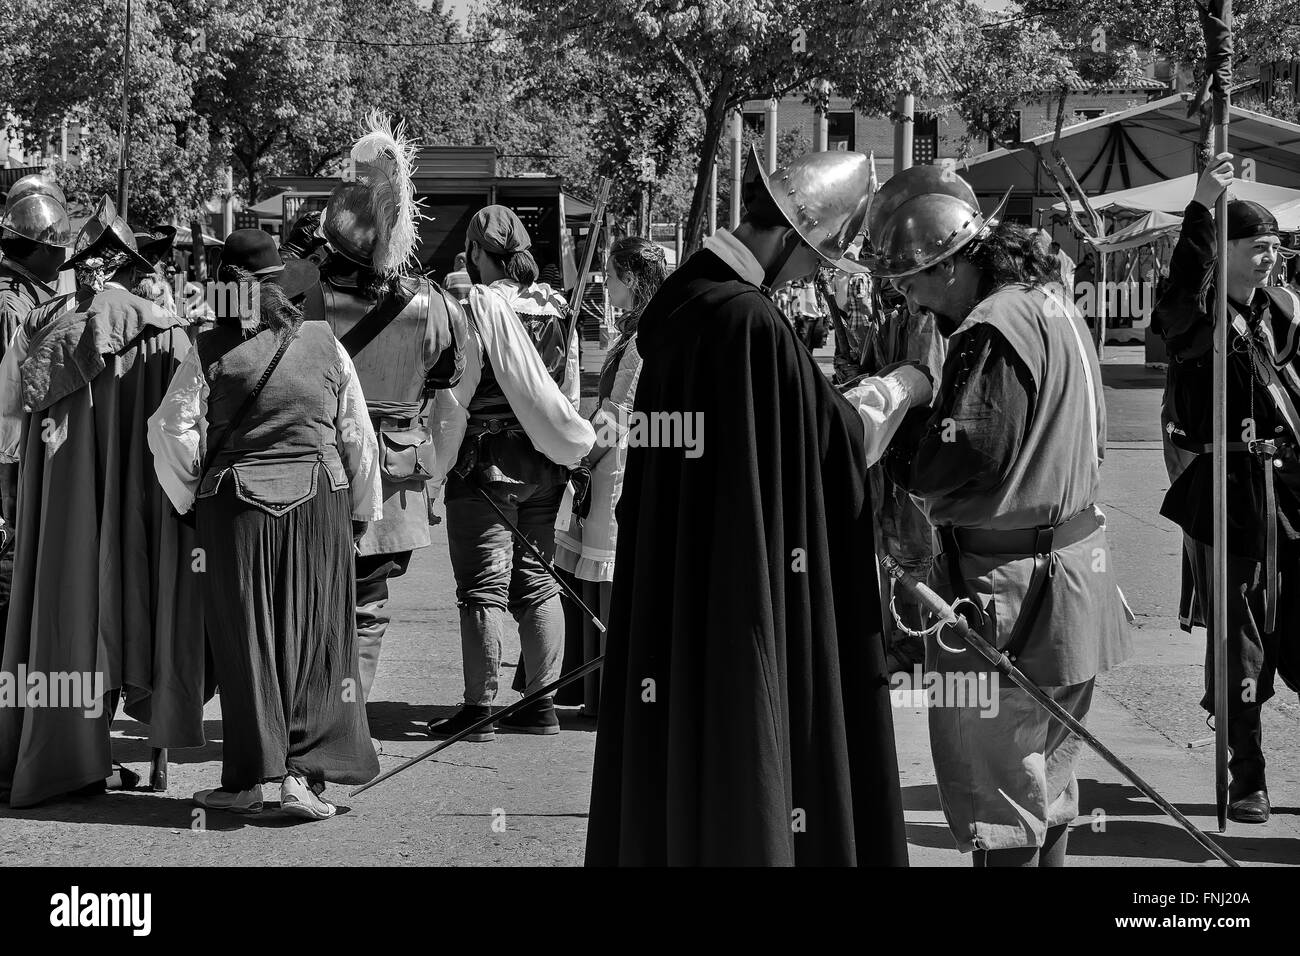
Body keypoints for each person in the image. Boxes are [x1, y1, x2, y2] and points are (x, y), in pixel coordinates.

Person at [585, 147, 931, 866]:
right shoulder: (752, 325)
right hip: (747, 596)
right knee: (748, 747)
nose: (811, 277)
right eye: (813, 258)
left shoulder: (683, 298)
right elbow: (837, 440)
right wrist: (908, 382)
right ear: (784, 239)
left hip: (683, 590)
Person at [875, 166, 1131, 866]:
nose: (912, 299)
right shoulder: (1055, 305)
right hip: (1072, 578)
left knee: (1003, 806)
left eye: (914, 280)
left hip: (1010, 591)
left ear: (954, 266)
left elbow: (967, 461)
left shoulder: (993, 324)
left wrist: (899, 445)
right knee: (1048, 785)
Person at [148, 229, 382, 819]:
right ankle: (306, 778)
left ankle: (257, 779)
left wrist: (190, 500)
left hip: (236, 511)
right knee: (316, 639)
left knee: (246, 643)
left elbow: (169, 431)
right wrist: (361, 514)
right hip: (321, 505)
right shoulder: (326, 342)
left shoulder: (207, 349)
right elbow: (356, 433)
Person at [0, 196, 207, 806]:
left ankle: (60, 757)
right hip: (147, 498)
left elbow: (8, 430)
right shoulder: (167, 331)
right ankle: (153, 747)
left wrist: (15, 501)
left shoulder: (43, 326)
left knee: (62, 606)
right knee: (145, 593)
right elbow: (186, 427)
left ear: (84, 264)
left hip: (62, 498)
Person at [294, 114, 466, 702]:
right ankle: (348, 717)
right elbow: (447, 394)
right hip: (393, 481)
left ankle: (311, 719)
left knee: (313, 602)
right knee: (367, 607)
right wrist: (436, 476)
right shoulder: (437, 306)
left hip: (314, 471)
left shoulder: (301, 294)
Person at [1154, 152, 1300, 824]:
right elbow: (1177, 300)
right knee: (1241, 645)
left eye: (1277, 246)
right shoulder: (1199, 320)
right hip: (1229, 494)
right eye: (1256, 246)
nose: (1271, 257)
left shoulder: (1279, 315)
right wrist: (1200, 207)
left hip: (1290, 496)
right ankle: (1249, 778)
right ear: (1224, 248)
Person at [428, 205, 593, 741]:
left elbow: (457, 395)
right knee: (538, 582)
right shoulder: (555, 306)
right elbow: (566, 394)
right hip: (544, 465)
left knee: (483, 589)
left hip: (487, 466)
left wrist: (438, 464)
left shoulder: (476, 308)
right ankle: (540, 705)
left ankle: (479, 710)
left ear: (477, 252)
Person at [553, 236, 667, 715]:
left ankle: (610, 696)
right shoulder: (636, 334)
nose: (608, 285)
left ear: (636, 280)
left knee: (607, 575)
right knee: (596, 574)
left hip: (615, 467)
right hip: (609, 466)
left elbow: (618, 414)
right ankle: (597, 691)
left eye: (614, 276)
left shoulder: (644, 338)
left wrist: (580, 456)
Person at [0, 182, 72, 657]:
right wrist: (8, 477)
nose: (63, 256)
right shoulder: (12, 304)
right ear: (39, 249)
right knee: (8, 564)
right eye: (56, 247)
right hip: (7, 455)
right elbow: (8, 400)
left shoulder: (25, 291)